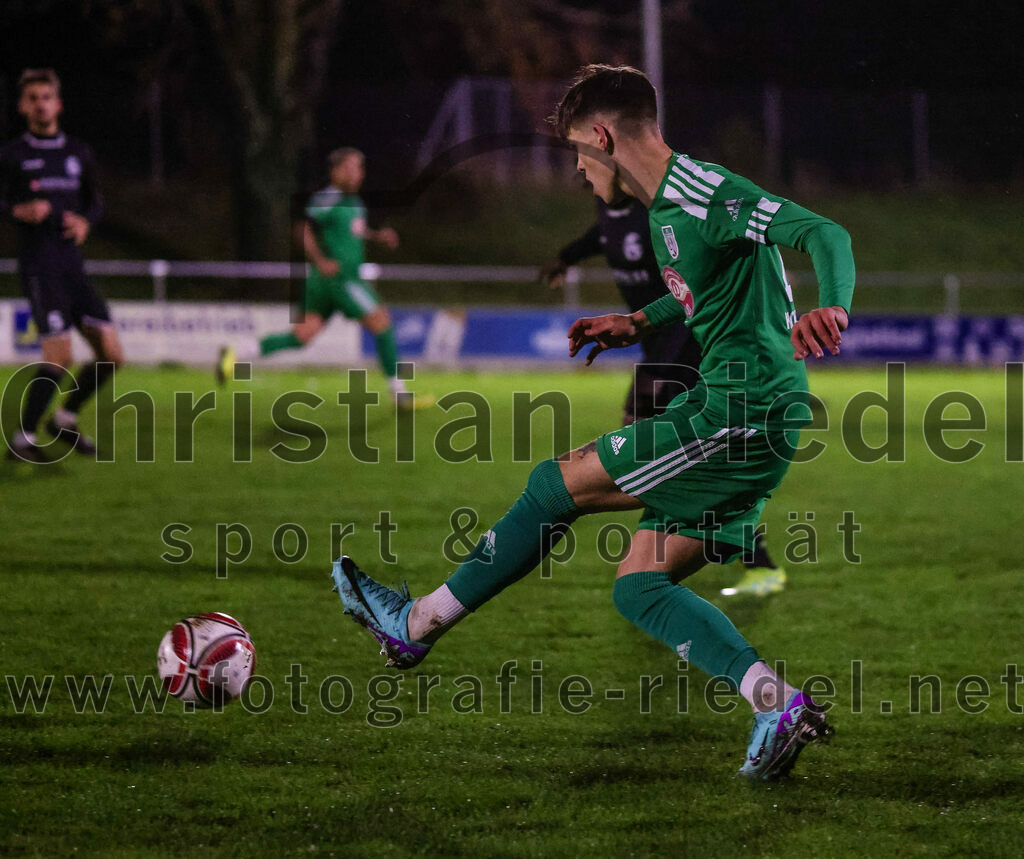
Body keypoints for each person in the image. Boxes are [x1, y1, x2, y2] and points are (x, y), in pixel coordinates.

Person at [331, 65, 853, 780]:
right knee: (639, 584)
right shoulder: (666, 208)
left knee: (556, 484)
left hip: (741, 409)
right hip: (753, 411)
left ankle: (416, 624)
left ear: (603, 138)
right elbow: (703, 291)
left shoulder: (704, 193)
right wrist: (637, 320)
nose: (578, 169)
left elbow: (823, 231)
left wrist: (835, 304)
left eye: (578, 150)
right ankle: (776, 703)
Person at [541, 196, 789, 597]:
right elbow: (601, 236)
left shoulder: (657, 213)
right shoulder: (610, 214)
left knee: (654, 458)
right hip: (657, 354)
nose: (582, 171)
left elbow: (696, 284)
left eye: (586, 164)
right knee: (665, 462)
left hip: (685, 352)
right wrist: (566, 257)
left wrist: (662, 365)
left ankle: (720, 561)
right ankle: (712, 558)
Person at [217, 147, 426, 406]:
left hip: (323, 282)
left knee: (301, 336)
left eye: (359, 168)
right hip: (341, 279)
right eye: (349, 168)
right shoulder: (330, 197)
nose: (356, 173)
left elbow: (351, 231)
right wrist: (320, 260)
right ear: (335, 171)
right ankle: (399, 394)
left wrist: (377, 235)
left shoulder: (353, 203)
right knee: (382, 322)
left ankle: (237, 352)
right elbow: (302, 227)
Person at [0, 68, 123, 462]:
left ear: (59, 104)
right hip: (40, 267)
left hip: (73, 268)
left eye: (47, 97)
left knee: (112, 356)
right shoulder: (13, 155)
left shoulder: (77, 152)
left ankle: (65, 419)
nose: (41, 104)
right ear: (22, 106)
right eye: (33, 98)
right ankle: (22, 439)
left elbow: (95, 201)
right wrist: (18, 211)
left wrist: (86, 221)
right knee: (60, 356)